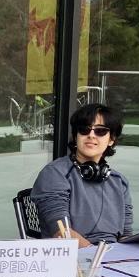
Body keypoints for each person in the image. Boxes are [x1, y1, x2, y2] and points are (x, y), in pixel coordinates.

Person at [30, 103, 131, 246]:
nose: (91, 135)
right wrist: (96, 255)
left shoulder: (119, 181)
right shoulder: (54, 174)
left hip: (112, 256)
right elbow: (62, 232)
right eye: (84, 130)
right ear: (75, 136)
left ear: (111, 140)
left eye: (100, 131)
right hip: (74, 258)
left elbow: (126, 235)